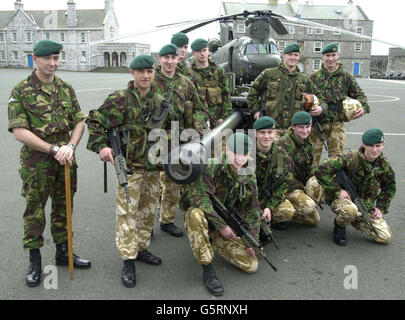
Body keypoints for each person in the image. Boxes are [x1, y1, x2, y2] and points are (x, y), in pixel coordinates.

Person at [8, 39, 91, 287]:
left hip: (65, 162)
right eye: (48, 59)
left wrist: (71, 146)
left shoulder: (66, 88)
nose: (53, 63)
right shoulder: (21, 90)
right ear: (36, 59)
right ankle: (35, 261)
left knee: (64, 208)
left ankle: (64, 252)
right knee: (35, 213)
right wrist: (52, 149)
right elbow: (19, 131)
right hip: (37, 165)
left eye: (56, 58)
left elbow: (79, 121)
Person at [86, 55, 164, 288]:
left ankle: (141, 249)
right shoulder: (119, 99)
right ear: (132, 73)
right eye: (141, 72)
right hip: (128, 167)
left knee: (148, 211)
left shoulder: (159, 101)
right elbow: (95, 122)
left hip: (152, 167)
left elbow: (168, 130)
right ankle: (128, 259)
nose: (145, 76)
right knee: (127, 213)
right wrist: (102, 146)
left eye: (149, 72)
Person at [181, 132, 271, 296]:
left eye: (244, 154)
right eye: (235, 153)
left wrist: (253, 239)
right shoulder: (211, 165)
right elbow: (198, 197)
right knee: (194, 214)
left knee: (252, 265)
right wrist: (221, 226)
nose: (239, 159)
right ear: (227, 150)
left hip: (229, 222)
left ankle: (214, 241)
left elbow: (253, 208)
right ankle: (207, 268)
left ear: (249, 154)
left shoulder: (248, 172)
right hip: (208, 218)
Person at [154, 44, 209, 238]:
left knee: (172, 182)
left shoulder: (187, 83)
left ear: (178, 59)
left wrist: (197, 130)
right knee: (151, 183)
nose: (169, 61)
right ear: (159, 59)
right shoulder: (150, 82)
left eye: (173, 57)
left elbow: (201, 109)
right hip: (155, 140)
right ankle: (145, 224)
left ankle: (167, 220)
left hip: (181, 140)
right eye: (165, 57)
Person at [312, 129, 395, 246]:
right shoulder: (351, 158)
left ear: (383, 145)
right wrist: (337, 191)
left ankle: (353, 218)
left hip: (364, 206)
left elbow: (390, 187)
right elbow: (321, 170)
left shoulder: (384, 165)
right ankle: (340, 226)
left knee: (384, 237)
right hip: (343, 200)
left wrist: (380, 208)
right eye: (371, 146)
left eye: (378, 146)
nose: (375, 149)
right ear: (364, 144)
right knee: (350, 210)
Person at [247, 43, 326, 140]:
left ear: (299, 57)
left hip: (294, 130)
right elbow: (253, 93)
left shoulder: (304, 79)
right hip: (272, 128)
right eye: (290, 54)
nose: (293, 57)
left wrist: (320, 108)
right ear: (284, 56)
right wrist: (255, 111)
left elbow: (320, 97)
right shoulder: (269, 74)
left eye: (296, 55)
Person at [310, 42, 370, 167]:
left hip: (336, 125)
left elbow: (360, 95)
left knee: (336, 161)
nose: (330, 59)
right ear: (323, 57)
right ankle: (311, 185)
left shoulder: (346, 76)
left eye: (333, 55)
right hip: (317, 124)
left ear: (338, 56)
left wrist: (364, 108)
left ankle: (334, 186)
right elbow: (306, 98)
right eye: (327, 55)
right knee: (311, 159)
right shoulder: (314, 77)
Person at [276, 111, 320, 230]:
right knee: (308, 206)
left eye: (308, 127)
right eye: (301, 127)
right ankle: (278, 214)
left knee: (313, 220)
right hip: (284, 187)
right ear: (293, 127)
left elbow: (308, 168)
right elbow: (281, 175)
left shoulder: (307, 143)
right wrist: (303, 188)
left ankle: (289, 211)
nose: (305, 131)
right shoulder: (283, 144)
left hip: (298, 184)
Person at [190, 38, 232, 129]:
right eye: (199, 51)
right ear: (193, 53)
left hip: (217, 119)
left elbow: (226, 95)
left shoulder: (219, 71)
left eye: (204, 50)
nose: (202, 53)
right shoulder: (189, 73)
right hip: (198, 120)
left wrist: (223, 117)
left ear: (208, 50)